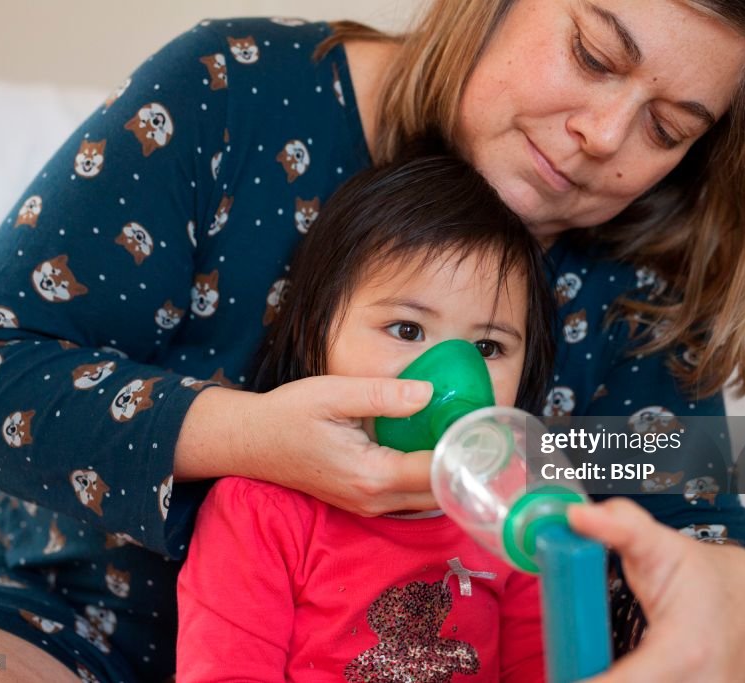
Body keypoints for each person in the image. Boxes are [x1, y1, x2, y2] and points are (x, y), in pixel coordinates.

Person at [0, 1, 745, 681]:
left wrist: (741, 619)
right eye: (591, 53)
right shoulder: (234, 92)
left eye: (667, 129)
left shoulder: (633, 262)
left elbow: (691, 515)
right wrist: (251, 439)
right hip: (56, 620)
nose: (602, 137)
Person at [177, 152, 553, 680]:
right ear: (315, 334)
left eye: (488, 347)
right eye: (406, 330)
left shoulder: (514, 507)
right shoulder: (260, 512)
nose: (453, 377)